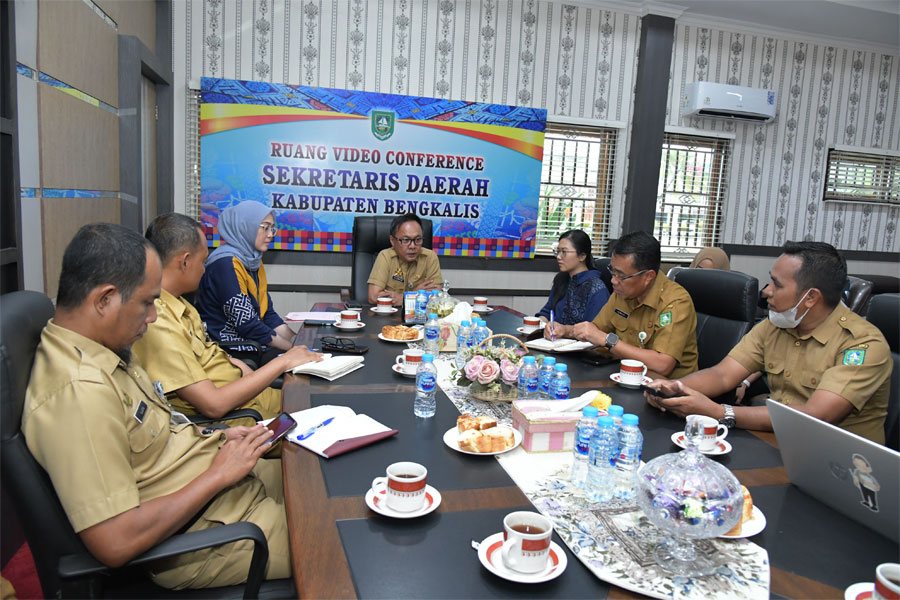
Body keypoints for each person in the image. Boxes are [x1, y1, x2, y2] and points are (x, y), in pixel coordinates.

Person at [22, 223, 289, 589]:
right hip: (211, 534)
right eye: (147, 302)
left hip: (223, 486)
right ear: (104, 300)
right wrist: (219, 474)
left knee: (325, 476)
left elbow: (156, 434)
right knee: (343, 537)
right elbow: (115, 542)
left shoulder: (105, 348)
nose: (153, 316)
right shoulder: (80, 391)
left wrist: (220, 435)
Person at [645, 241, 892, 444]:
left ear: (811, 297)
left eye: (777, 284)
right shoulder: (777, 324)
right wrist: (674, 389)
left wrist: (720, 413)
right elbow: (723, 375)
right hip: (778, 442)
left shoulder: (861, 344)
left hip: (840, 464)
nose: (767, 291)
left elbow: (817, 415)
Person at [133, 213, 321, 426]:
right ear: (185, 262)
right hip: (246, 418)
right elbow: (213, 405)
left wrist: (242, 368)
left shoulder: (183, 306)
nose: (205, 269)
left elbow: (208, 353)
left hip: (256, 399)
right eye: (203, 261)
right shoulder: (158, 321)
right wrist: (283, 361)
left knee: (329, 402)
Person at [552, 231, 699, 378]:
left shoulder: (675, 302)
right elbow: (595, 330)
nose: (613, 281)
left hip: (667, 389)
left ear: (648, 276)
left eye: (621, 276)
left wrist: (608, 341)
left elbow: (663, 365)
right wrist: (565, 330)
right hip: (624, 376)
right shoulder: (622, 293)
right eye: (613, 272)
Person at [195, 201, 294, 365]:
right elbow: (247, 324)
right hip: (233, 350)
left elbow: (268, 315)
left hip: (255, 343)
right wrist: (291, 349)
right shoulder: (226, 264)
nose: (270, 234)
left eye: (272, 229)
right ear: (244, 226)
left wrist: (301, 343)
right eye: (265, 227)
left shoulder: (252, 261)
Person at [538, 230, 610, 329]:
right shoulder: (561, 279)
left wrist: (564, 331)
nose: (558, 257)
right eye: (558, 251)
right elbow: (547, 312)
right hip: (553, 339)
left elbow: (594, 330)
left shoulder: (597, 289)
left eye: (564, 252)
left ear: (582, 256)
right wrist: (539, 323)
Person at [366, 213, 443, 305]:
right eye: (405, 240)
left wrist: (402, 297)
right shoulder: (385, 256)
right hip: (390, 316)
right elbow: (374, 297)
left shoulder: (430, 257)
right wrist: (414, 295)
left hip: (419, 315)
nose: (412, 246)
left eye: (418, 239)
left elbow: (436, 296)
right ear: (392, 241)